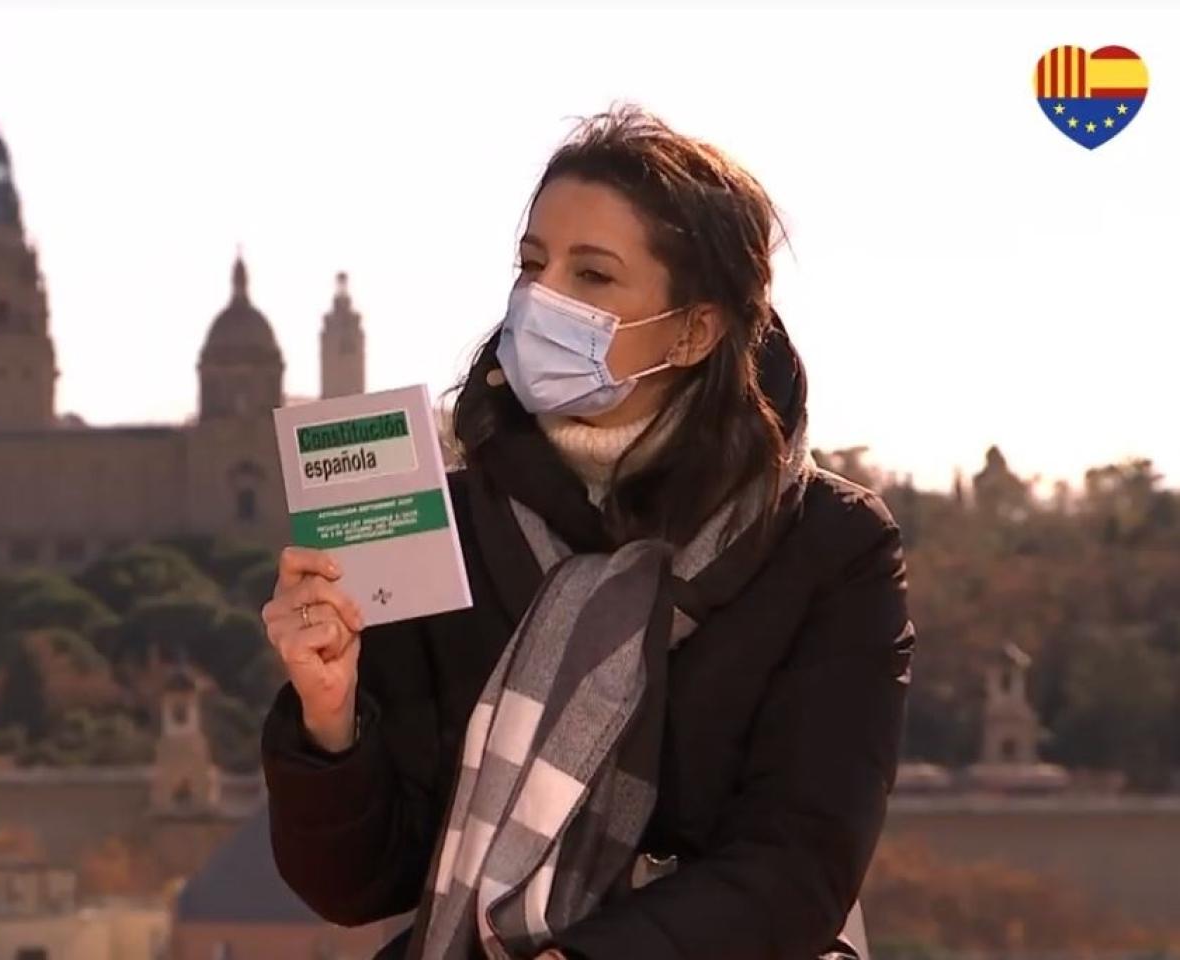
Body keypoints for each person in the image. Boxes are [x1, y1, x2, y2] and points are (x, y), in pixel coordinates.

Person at [258, 103, 915, 960]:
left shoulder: (831, 546)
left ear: (693, 329)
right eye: (533, 266)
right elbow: (358, 884)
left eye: (593, 277)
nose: (543, 300)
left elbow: (798, 865)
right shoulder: (445, 523)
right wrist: (329, 715)